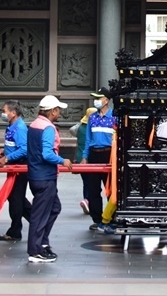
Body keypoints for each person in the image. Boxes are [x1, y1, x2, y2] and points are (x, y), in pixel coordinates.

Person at [26, 95, 72, 263]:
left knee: (54, 208)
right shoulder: (48, 128)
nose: (59, 113)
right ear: (52, 111)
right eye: (58, 110)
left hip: (36, 175)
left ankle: (42, 243)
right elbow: (47, 154)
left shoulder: (34, 125)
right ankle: (35, 250)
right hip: (45, 177)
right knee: (40, 215)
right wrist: (63, 161)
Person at [81, 87, 116, 234]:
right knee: (93, 189)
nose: (96, 101)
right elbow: (88, 139)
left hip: (109, 155)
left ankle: (110, 218)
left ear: (106, 100)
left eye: (98, 98)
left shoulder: (115, 116)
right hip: (94, 155)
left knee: (110, 189)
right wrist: (85, 156)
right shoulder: (92, 118)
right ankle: (97, 219)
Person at [0, 100, 31, 242]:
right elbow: (15, 145)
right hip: (12, 165)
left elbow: (24, 149)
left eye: (5, 111)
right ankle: (34, 221)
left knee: (16, 198)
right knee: (16, 197)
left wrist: (7, 158)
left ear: (13, 113)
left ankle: (16, 231)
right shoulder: (11, 126)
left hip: (19, 167)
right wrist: (4, 151)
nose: (3, 114)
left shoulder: (20, 128)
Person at [72, 106, 96, 215]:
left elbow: (72, 130)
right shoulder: (92, 128)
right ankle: (88, 201)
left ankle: (86, 200)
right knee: (92, 183)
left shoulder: (80, 127)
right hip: (90, 158)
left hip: (79, 158)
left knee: (85, 182)